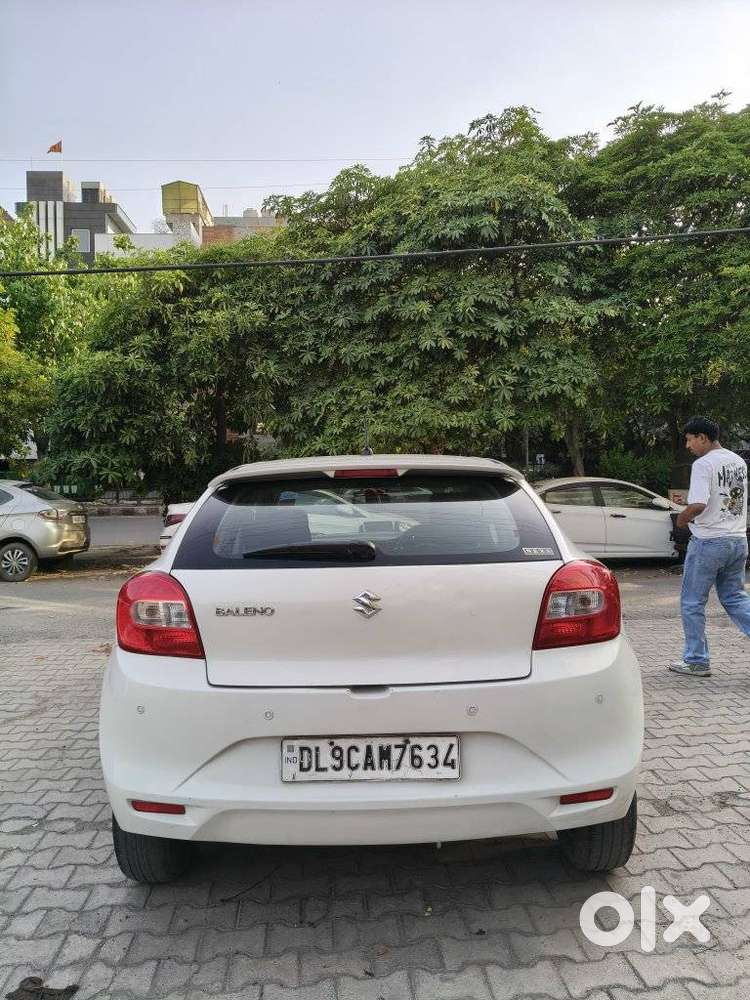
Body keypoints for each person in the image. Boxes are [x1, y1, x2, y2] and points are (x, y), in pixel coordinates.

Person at [670, 416, 750, 677]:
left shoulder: (703, 464)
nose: (688, 446)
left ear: (702, 438)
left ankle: (696, 660)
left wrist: (682, 519)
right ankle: (695, 659)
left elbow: (698, 504)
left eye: (690, 440)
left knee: (692, 602)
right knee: (735, 599)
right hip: (737, 539)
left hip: (709, 542)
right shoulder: (738, 461)